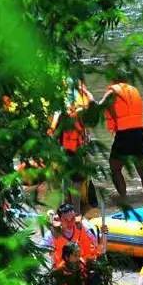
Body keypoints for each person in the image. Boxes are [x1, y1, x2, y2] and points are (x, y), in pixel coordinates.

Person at [99, 77, 143, 197]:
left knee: (115, 167)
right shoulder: (134, 90)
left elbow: (100, 107)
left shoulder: (112, 91)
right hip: (139, 132)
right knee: (142, 170)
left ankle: (123, 198)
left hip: (124, 134)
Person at [49, 79, 95, 213]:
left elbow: (53, 133)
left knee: (64, 180)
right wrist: (85, 91)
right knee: (77, 181)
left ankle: (61, 209)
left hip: (63, 151)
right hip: (75, 152)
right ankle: (76, 212)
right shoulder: (79, 111)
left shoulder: (60, 112)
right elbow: (92, 104)